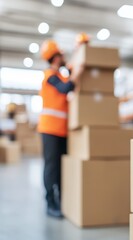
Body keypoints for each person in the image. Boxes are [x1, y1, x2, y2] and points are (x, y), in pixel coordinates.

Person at [38, 40, 82, 218]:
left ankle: (61, 200)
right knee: (51, 167)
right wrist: (76, 73)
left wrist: (74, 66)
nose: (64, 58)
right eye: (61, 55)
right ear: (55, 57)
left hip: (62, 131)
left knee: (61, 167)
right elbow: (66, 88)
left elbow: (69, 81)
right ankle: (50, 204)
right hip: (50, 129)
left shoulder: (61, 75)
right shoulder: (50, 75)